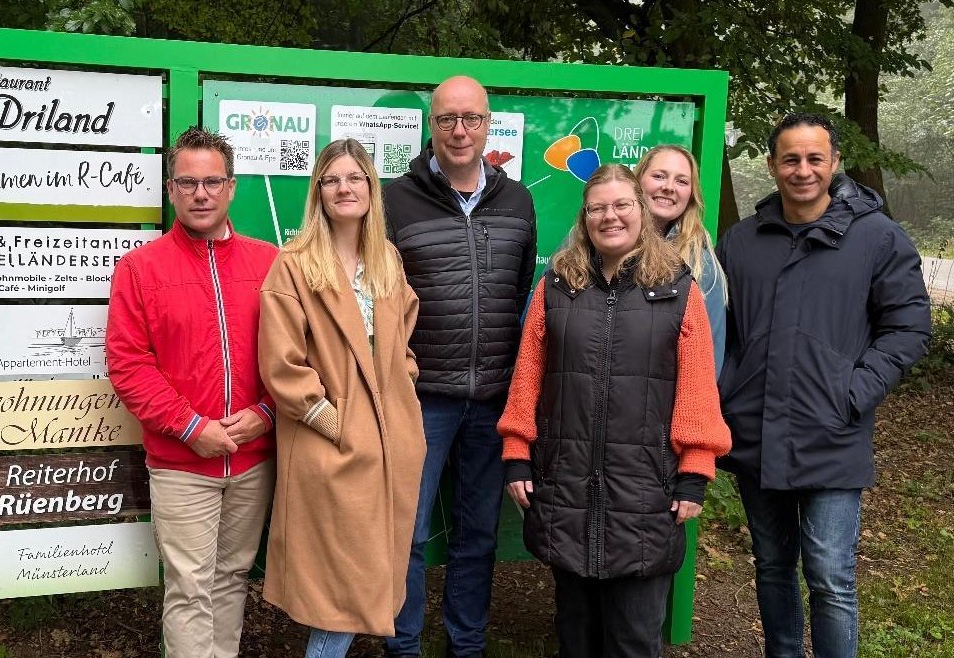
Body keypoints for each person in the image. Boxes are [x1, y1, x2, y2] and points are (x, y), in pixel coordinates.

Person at [716, 112, 930, 658]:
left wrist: (853, 393)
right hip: (756, 431)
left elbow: (907, 328)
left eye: (815, 159)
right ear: (771, 165)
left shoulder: (877, 237)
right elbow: (719, 332)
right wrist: (731, 393)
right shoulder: (741, 242)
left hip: (833, 432)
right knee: (771, 566)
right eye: (791, 159)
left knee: (831, 575)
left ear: (834, 163)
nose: (803, 170)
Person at [498, 163, 731, 658]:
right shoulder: (557, 287)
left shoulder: (677, 289)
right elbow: (528, 376)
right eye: (597, 208)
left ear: (641, 211)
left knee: (634, 639)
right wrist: (517, 449)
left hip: (647, 491)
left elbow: (697, 390)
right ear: (584, 219)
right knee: (575, 635)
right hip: (568, 487)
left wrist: (696, 468)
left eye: (622, 205)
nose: (610, 217)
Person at [106, 126, 280, 658]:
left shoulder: (270, 262)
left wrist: (266, 415)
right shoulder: (141, 268)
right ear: (170, 189)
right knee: (188, 589)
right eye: (187, 182)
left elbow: (300, 357)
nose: (200, 193)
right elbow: (128, 363)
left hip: (253, 458)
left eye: (211, 182)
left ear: (231, 188)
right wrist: (191, 427)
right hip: (182, 462)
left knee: (231, 579)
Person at [383, 75, 538, 658]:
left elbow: (519, 292)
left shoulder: (518, 200)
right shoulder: (395, 200)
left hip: (494, 398)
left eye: (470, 118)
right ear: (431, 125)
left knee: (478, 535)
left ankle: (466, 646)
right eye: (447, 118)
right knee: (409, 531)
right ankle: (403, 646)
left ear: (488, 123)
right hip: (422, 398)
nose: (459, 130)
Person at [258, 139, 426, 658]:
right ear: (318, 193)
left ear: (372, 189)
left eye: (355, 177)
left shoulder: (386, 261)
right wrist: (336, 423)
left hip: (390, 448)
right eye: (331, 179)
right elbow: (282, 363)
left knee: (362, 588)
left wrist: (404, 398)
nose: (344, 188)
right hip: (330, 448)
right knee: (340, 596)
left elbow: (402, 344)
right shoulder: (294, 264)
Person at [635, 145, 728, 376]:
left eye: (682, 181)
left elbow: (708, 364)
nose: (668, 187)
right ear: (637, 182)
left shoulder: (701, 265)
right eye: (659, 176)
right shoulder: (593, 238)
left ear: (691, 195)